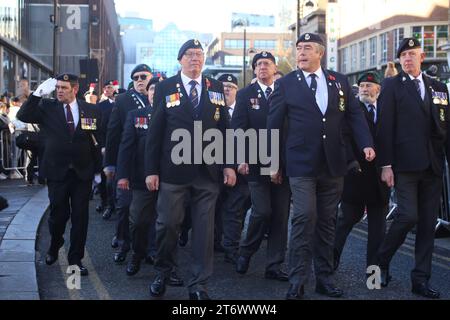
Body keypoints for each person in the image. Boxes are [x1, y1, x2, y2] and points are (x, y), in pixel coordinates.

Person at [268, 33, 375, 300]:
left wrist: (366, 144)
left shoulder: (338, 81)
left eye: (307, 49)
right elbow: (273, 125)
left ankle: (324, 279)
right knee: (304, 217)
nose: (301, 53)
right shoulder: (287, 84)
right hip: (301, 164)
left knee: (328, 222)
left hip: (333, 164)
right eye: (298, 49)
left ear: (320, 53)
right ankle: (297, 280)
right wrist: (272, 162)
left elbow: (354, 116)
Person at [145, 39, 236, 300]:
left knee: (204, 232)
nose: (195, 58)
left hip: (207, 173)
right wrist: (151, 170)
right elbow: (155, 132)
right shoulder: (165, 87)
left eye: (199, 54)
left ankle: (199, 285)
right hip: (173, 170)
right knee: (168, 225)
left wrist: (228, 165)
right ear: (180, 59)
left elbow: (225, 130)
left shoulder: (215, 86)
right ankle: (163, 271)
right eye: (190, 54)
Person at [376, 38, 450, 299]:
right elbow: (384, 128)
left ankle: (421, 280)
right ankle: (379, 263)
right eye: (403, 55)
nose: (407, 58)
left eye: (412, 54)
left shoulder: (439, 87)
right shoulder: (391, 86)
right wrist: (385, 165)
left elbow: (445, 128)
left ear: (422, 56)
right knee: (407, 216)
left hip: (433, 166)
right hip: (404, 165)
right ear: (399, 60)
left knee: (428, 225)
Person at [17, 74, 102, 276]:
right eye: (57, 88)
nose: (59, 91)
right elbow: (23, 115)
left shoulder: (91, 109)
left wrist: (98, 171)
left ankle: (75, 259)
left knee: (80, 218)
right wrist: (37, 94)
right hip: (57, 171)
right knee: (58, 215)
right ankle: (55, 244)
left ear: (75, 89)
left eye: (64, 87)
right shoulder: (47, 107)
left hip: (82, 172)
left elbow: (96, 140)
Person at [232, 51, 291, 282]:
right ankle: (246, 251)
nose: (262, 67)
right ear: (254, 70)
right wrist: (241, 158)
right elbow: (238, 129)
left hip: (283, 164)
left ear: (275, 68)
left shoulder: (287, 92)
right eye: (258, 64)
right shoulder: (246, 94)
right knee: (262, 211)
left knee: (280, 216)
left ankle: (274, 265)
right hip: (256, 164)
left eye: (267, 63)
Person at [334, 71, 390, 272]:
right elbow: (344, 137)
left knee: (378, 231)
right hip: (356, 176)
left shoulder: (386, 109)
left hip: (380, 178)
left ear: (378, 89)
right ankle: (330, 264)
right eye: (362, 86)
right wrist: (351, 162)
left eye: (369, 85)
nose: (364, 89)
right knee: (345, 221)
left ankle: (374, 274)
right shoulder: (352, 110)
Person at [104, 64, 152, 263]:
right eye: (135, 78)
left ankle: (148, 248)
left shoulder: (161, 96)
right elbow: (113, 133)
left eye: (143, 76)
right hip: (128, 164)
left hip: (151, 166)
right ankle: (124, 243)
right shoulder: (123, 100)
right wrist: (110, 164)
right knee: (124, 207)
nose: (140, 80)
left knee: (148, 212)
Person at [97, 80, 117, 218]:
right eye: (107, 87)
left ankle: (115, 204)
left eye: (111, 87)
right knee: (106, 179)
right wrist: (102, 145)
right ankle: (107, 203)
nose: (108, 90)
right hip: (107, 147)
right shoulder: (102, 106)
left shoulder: (120, 105)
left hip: (122, 147)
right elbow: (101, 128)